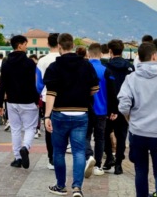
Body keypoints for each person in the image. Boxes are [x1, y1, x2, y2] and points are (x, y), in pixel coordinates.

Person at [44, 33, 99, 196]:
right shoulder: (86, 65)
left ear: (59, 46)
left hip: (59, 113)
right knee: (79, 151)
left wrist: (47, 116)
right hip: (81, 113)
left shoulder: (54, 67)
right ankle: (77, 188)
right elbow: (94, 90)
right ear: (73, 46)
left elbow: (50, 94)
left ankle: (61, 186)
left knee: (58, 152)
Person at [118, 42, 157, 197]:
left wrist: (130, 119)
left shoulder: (131, 78)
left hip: (138, 132)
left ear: (138, 57)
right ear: (155, 56)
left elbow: (123, 106)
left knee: (140, 170)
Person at [0, 35, 39, 170]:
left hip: (12, 101)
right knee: (30, 128)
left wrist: (0, 104)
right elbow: (34, 84)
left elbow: (2, 84)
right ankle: (25, 147)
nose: (27, 47)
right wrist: (36, 99)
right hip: (28, 101)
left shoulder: (6, 63)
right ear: (20, 45)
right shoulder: (30, 63)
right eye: (26, 44)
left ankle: (17, 158)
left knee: (15, 129)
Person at [85, 43, 118, 177]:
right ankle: (98, 165)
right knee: (100, 138)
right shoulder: (106, 70)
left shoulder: (84, 69)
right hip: (101, 110)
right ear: (100, 54)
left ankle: (88, 157)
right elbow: (112, 92)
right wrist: (114, 110)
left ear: (88, 54)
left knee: (85, 136)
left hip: (85, 110)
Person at [103, 39, 135, 175]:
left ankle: (109, 157)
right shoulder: (130, 67)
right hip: (124, 107)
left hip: (109, 107)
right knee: (121, 136)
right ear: (122, 50)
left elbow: (105, 89)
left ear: (110, 51)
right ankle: (118, 165)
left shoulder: (106, 67)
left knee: (105, 133)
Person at [36, 32, 60, 170]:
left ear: (47, 44)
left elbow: (38, 84)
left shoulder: (42, 61)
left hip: (46, 98)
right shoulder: (64, 58)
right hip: (64, 100)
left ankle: (51, 158)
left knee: (49, 128)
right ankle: (60, 154)